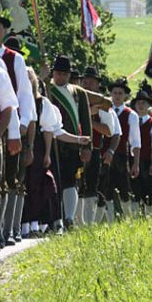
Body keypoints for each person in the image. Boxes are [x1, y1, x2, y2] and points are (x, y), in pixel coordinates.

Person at [0, 8, 36, 245]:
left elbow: (25, 95)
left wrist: (23, 125)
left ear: (4, 32)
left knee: (11, 178)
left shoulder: (15, 59)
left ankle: (9, 227)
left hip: (11, 123)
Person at [47, 56, 95, 228]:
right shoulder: (47, 89)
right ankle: (54, 219)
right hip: (51, 144)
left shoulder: (78, 93)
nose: (60, 77)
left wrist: (87, 146)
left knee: (71, 181)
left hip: (73, 144)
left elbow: (85, 121)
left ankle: (68, 218)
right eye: (58, 73)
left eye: (64, 74)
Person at [79, 66, 119, 224]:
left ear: (96, 85)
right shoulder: (76, 100)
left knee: (90, 187)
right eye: (85, 82)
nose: (86, 84)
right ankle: (76, 223)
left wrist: (88, 119)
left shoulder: (103, 105)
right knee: (77, 186)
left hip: (94, 150)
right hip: (75, 149)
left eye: (90, 82)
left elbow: (109, 131)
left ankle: (88, 222)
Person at [107, 78, 141, 219]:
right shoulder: (105, 110)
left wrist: (136, 163)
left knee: (124, 190)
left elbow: (136, 141)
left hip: (121, 156)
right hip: (106, 154)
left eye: (120, 93)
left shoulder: (131, 115)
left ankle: (128, 217)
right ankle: (109, 220)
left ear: (125, 96)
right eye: (114, 93)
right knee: (106, 188)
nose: (117, 96)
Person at [130, 86, 152, 215]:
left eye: (144, 103)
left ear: (149, 105)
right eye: (138, 103)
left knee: (149, 191)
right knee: (134, 191)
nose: (141, 105)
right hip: (132, 160)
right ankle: (135, 217)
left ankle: (150, 216)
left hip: (148, 161)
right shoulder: (131, 121)